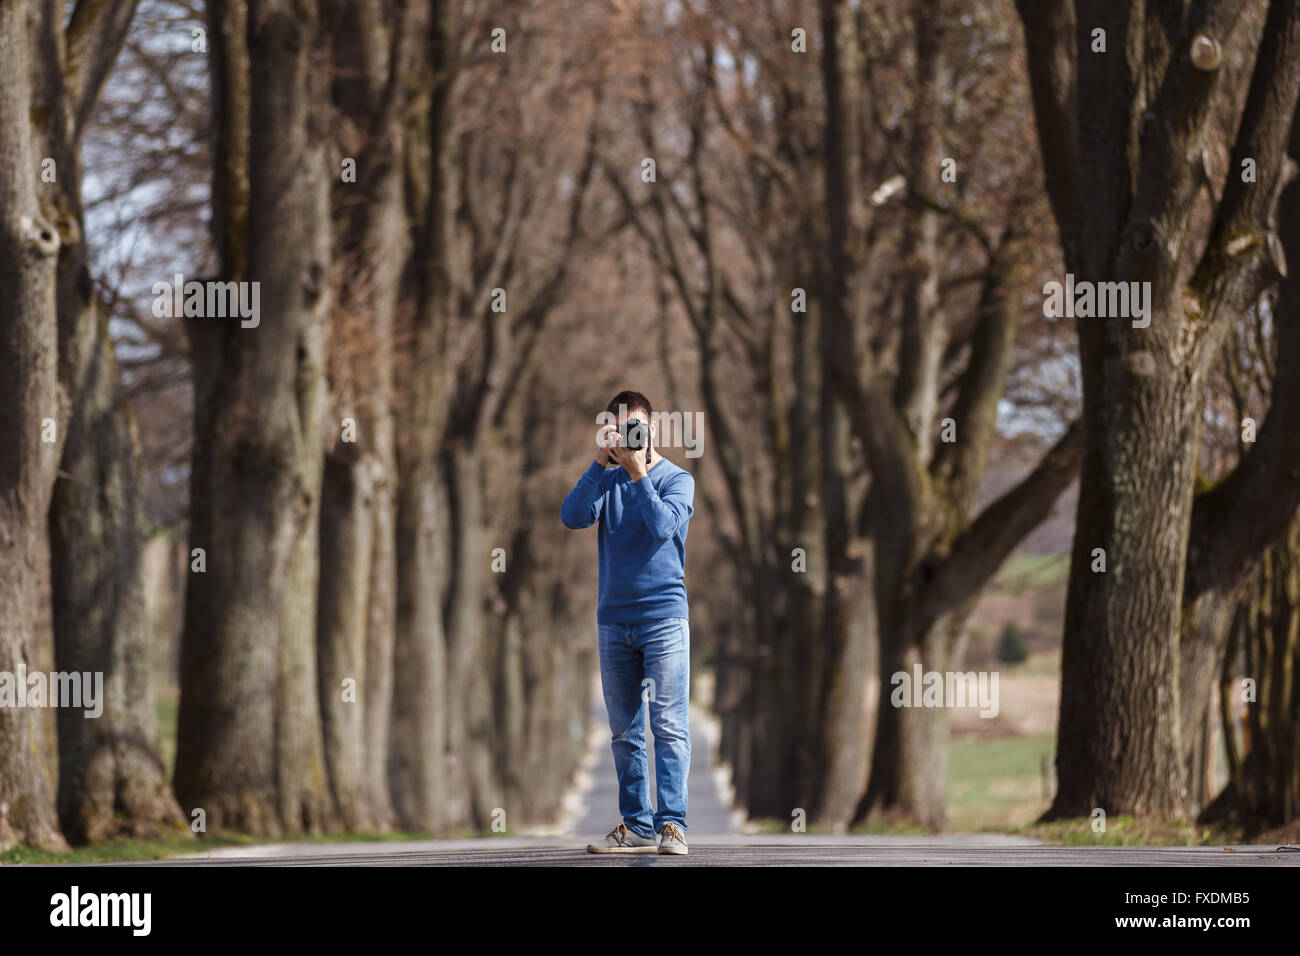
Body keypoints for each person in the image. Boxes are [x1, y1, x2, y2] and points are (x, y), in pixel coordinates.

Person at [561, 390, 695, 855]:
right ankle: (636, 825)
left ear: (652, 428)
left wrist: (638, 473)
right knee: (624, 731)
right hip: (614, 620)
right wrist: (599, 465)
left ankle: (672, 825)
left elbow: (662, 528)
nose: (629, 437)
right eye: (619, 429)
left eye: (635, 427)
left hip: (664, 619)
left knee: (670, 726)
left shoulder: (679, 480)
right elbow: (573, 516)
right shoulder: (608, 481)